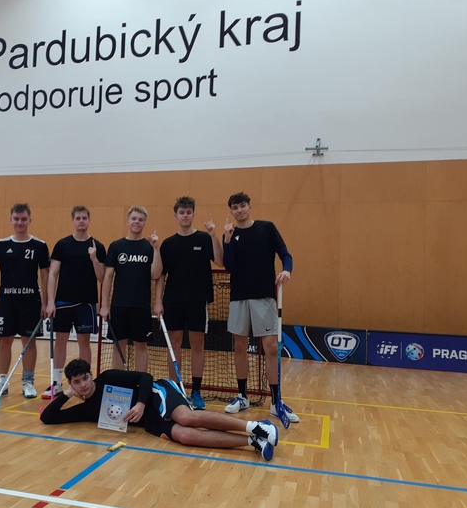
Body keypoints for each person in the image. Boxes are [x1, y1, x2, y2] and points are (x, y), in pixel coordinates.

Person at [40, 359, 279, 461]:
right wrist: (66, 395)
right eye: (77, 382)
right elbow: (48, 418)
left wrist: (140, 403)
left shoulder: (108, 377)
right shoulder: (85, 409)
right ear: (72, 384)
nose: (83, 385)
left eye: (85, 378)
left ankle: (256, 426)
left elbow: (145, 377)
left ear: (91, 375)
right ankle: (253, 442)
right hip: (149, 421)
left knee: (186, 417)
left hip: (155, 394)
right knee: (185, 435)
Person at [222, 192, 299, 422]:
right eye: (235, 207)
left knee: (271, 348)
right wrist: (227, 241)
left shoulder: (267, 228)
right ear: (231, 211)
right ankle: (242, 397)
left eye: (242, 205)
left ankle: (276, 402)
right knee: (239, 347)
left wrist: (287, 270)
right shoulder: (230, 234)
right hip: (238, 297)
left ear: (249, 206)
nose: (239, 210)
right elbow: (229, 266)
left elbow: (285, 254)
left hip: (264, 296)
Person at [154, 196, 223, 410]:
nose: (185, 215)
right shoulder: (168, 244)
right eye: (181, 212)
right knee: (174, 346)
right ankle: (175, 390)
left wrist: (214, 236)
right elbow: (160, 275)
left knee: (197, 345)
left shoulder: (204, 238)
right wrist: (157, 301)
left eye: (188, 212)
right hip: (173, 301)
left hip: (197, 300)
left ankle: (197, 392)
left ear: (193, 214)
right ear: (175, 215)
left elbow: (220, 261)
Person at [0, 203, 50, 399]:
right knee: (4, 341)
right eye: (16, 219)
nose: (20, 222)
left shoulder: (39, 245)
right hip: (6, 301)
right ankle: (2, 381)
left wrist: (46, 302)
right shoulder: (1, 245)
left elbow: (45, 275)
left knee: (29, 342)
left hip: (30, 301)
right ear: (10, 220)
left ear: (29, 220)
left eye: (23, 219)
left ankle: (28, 382)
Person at [44, 206, 107, 398]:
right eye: (78, 218)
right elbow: (52, 274)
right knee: (60, 342)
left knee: (84, 343)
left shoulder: (98, 247)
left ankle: (85, 383)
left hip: (85, 303)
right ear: (73, 220)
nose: (81, 221)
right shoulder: (62, 244)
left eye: (84, 218)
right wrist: (50, 302)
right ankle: (56, 383)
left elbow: (102, 277)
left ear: (89, 220)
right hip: (62, 303)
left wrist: (94, 259)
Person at [100, 206, 162, 372]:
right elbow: (108, 277)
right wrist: (104, 305)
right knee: (118, 345)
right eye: (134, 219)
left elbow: (156, 274)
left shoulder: (150, 247)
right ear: (128, 222)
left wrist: (156, 249)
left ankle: (140, 382)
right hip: (119, 305)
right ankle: (119, 382)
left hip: (141, 305)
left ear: (144, 223)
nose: (137, 222)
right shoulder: (116, 246)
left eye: (140, 220)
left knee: (141, 346)